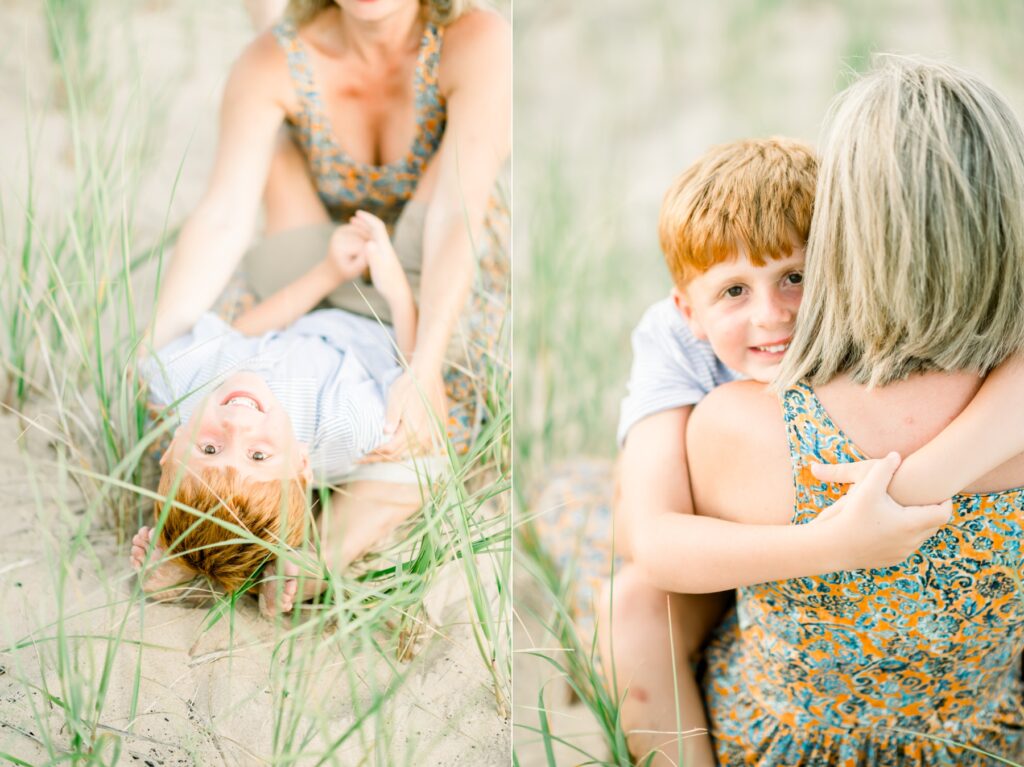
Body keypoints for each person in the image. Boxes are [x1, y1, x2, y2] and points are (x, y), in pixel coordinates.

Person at [597, 135, 1024, 765]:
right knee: (629, 602)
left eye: (795, 277)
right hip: (717, 543)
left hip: (838, 592)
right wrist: (835, 544)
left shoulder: (869, 307)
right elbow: (654, 538)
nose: (772, 314)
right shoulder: (674, 339)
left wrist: (916, 482)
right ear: (689, 310)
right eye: (734, 291)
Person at [149, 0, 510, 464]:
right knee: (196, 405)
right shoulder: (273, 62)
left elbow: (457, 215)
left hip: (436, 247)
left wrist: (425, 367)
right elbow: (223, 216)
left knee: (423, 432)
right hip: (326, 250)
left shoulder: (476, 41)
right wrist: (157, 351)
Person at [131, 211, 433, 615]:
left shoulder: (183, 380)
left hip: (309, 323)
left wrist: (328, 273)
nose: (236, 426)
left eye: (207, 448)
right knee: (415, 473)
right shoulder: (349, 420)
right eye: (257, 456)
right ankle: (306, 562)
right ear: (301, 462)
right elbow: (411, 375)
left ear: (172, 446)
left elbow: (244, 337)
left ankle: (190, 555)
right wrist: (396, 293)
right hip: (368, 332)